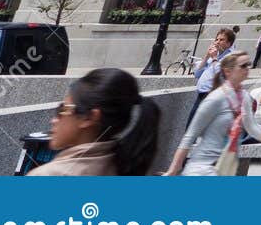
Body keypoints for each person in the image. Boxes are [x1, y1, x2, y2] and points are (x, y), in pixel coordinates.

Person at [168, 51, 261, 175]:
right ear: (228, 71)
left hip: (224, 169)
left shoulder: (244, 97)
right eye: (243, 66)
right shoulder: (215, 98)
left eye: (248, 64)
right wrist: (173, 170)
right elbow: (190, 136)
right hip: (201, 169)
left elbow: (253, 128)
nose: (247, 69)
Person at [30, 68, 162, 176]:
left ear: (88, 118)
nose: (53, 120)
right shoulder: (123, 165)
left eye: (62, 109)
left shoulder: (48, 175)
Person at [187, 27, 237, 123]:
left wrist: (214, 58)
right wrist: (207, 56)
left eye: (222, 40)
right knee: (191, 123)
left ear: (229, 43)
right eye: (217, 39)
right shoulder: (215, 55)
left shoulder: (230, 57)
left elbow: (220, 75)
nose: (217, 42)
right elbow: (197, 74)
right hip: (201, 94)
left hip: (212, 95)